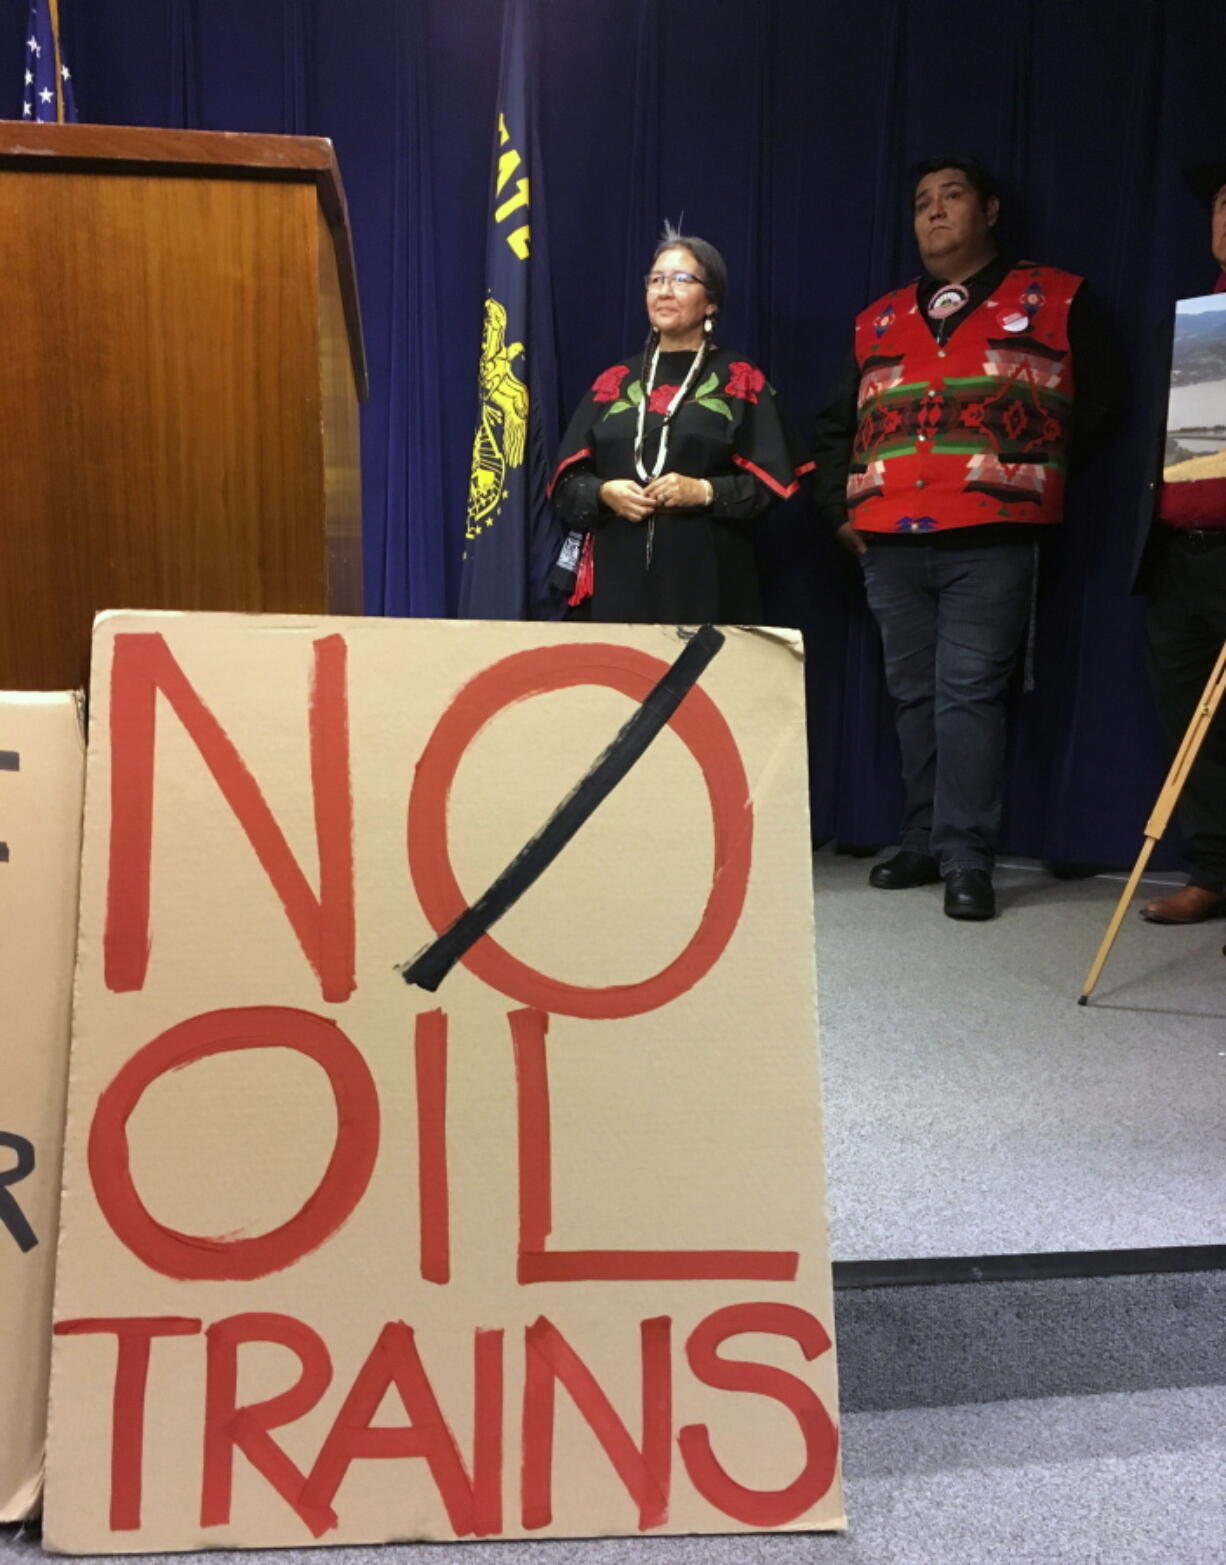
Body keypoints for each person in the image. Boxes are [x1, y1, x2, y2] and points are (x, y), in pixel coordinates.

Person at [812, 155, 1117, 920]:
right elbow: (832, 425)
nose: (935, 212)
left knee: (968, 693)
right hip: (888, 538)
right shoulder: (877, 319)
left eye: (951, 197)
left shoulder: (1055, 297)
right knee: (912, 693)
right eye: (921, 203)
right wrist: (839, 513)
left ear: (988, 209)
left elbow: (1104, 405)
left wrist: (1028, 467)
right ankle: (921, 837)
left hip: (995, 530)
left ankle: (965, 856)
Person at [549, 229, 799, 623]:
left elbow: (772, 485)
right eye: (657, 279)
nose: (664, 290)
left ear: (711, 302)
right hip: (618, 572)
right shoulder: (614, 380)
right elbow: (566, 484)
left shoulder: (740, 378)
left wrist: (703, 491)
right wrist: (603, 493)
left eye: (681, 280)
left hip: (708, 575)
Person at [1133, 159, 1226, 926]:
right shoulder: (1198, 319)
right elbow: (1186, 448)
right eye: (1223, 203)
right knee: (1194, 725)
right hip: (1183, 555)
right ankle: (1215, 870)